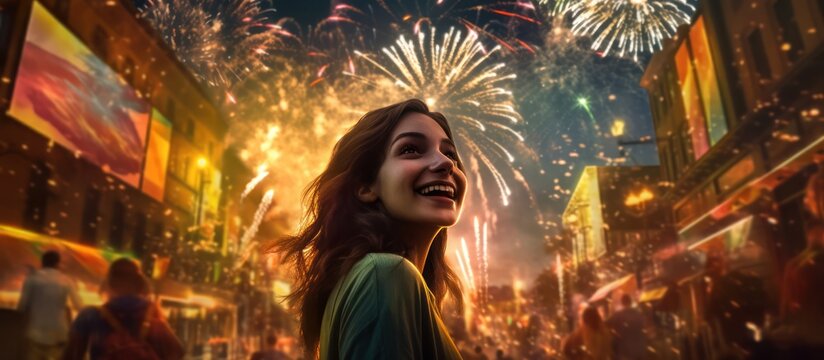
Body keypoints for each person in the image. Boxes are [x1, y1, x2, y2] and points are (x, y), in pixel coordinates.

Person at [274, 99, 467, 359]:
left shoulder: (375, 278)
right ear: (365, 186)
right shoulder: (385, 274)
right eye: (411, 149)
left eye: (450, 153)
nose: (446, 164)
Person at [63, 258, 184, 359]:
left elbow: (72, 355)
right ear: (140, 284)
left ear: (109, 283)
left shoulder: (90, 315)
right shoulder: (152, 313)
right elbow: (178, 352)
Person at [18, 250, 82, 360]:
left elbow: (22, 306)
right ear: (58, 264)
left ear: (42, 262)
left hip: (36, 333)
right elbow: (79, 306)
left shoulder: (32, 279)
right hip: (59, 334)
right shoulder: (66, 281)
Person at [606, 295, 646, 360]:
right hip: (639, 347)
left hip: (625, 350)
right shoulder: (638, 314)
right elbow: (644, 326)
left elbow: (606, 324)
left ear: (622, 302)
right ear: (630, 302)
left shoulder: (617, 315)